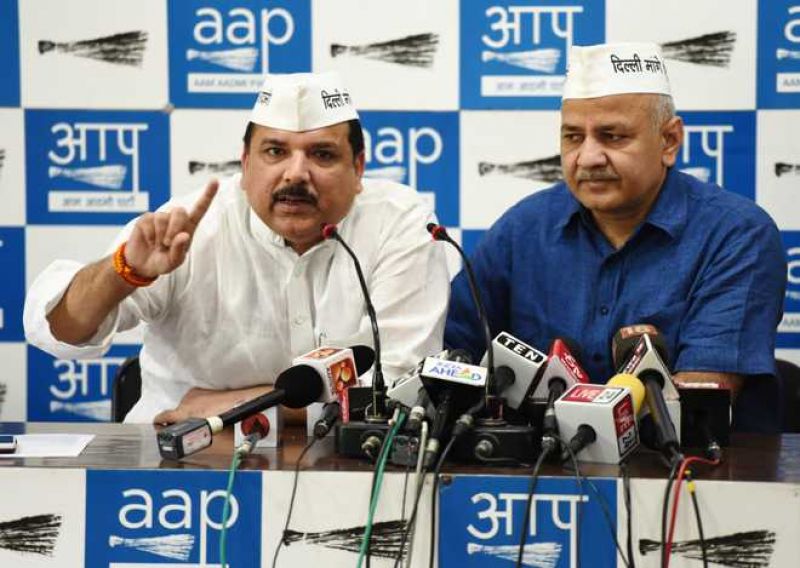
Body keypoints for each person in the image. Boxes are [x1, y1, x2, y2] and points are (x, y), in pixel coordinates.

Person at [25, 72, 449, 424]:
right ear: (245, 165)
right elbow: (59, 332)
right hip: (179, 459)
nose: (296, 174)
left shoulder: (398, 222)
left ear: (358, 169)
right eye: (275, 152)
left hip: (341, 463)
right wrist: (123, 272)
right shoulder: (190, 227)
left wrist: (228, 408)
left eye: (322, 155)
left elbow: (399, 387)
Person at [445, 43, 787, 432]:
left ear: (669, 142)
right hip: (537, 480)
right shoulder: (522, 229)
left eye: (613, 136)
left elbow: (694, 411)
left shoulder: (737, 235)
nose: (588, 157)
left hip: (690, 482)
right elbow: (452, 357)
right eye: (573, 137)